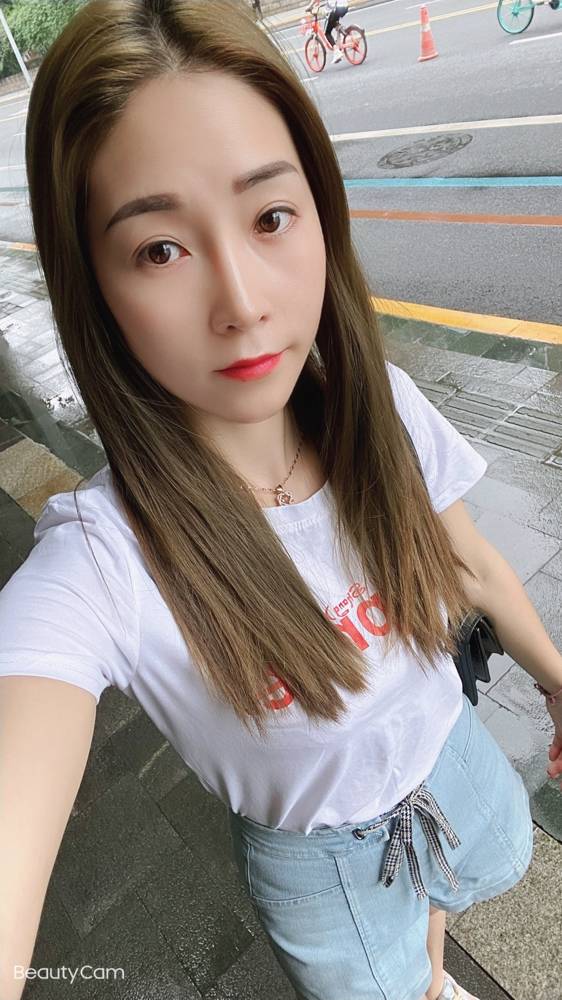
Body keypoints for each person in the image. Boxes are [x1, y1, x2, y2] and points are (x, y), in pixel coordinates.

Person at [0, 1, 561, 998]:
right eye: (159, 248)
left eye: (268, 217)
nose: (244, 301)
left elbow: (466, 558)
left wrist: (557, 680)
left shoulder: (377, 406)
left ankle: (431, 957)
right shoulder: (104, 558)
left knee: (462, 893)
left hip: (449, 755)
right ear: (93, 284)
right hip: (325, 865)